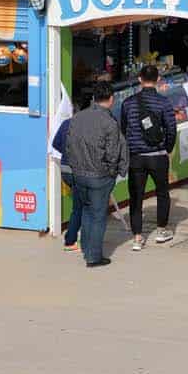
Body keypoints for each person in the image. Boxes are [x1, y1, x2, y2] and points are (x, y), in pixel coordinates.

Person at [63, 82, 127, 268]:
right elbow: (113, 153)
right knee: (98, 215)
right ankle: (93, 256)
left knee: (86, 211)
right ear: (111, 99)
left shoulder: (77, 118)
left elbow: (69, 146)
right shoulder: (110, 123)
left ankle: (86, 248)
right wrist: (111, 172)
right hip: (99, 175)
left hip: (79, 173)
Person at [119, 66, 178, 251]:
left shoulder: (128, 103)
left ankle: (137, 237)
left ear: (139, 79)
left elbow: (123, 129)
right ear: (159, 79)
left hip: (136, 157)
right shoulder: (164, 103)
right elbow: (171, 129)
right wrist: (166, 148)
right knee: (162, 193)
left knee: (136, 197)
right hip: (158, 156)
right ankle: (161, 230)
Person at [51, 107, 81, 252]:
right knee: (82, 208)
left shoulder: (66, 124)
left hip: (65, 170)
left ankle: (72, 239)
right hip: (81, 171)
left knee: (79, 206)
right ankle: (71, 240)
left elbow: (55, 143)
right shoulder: (88, 126)